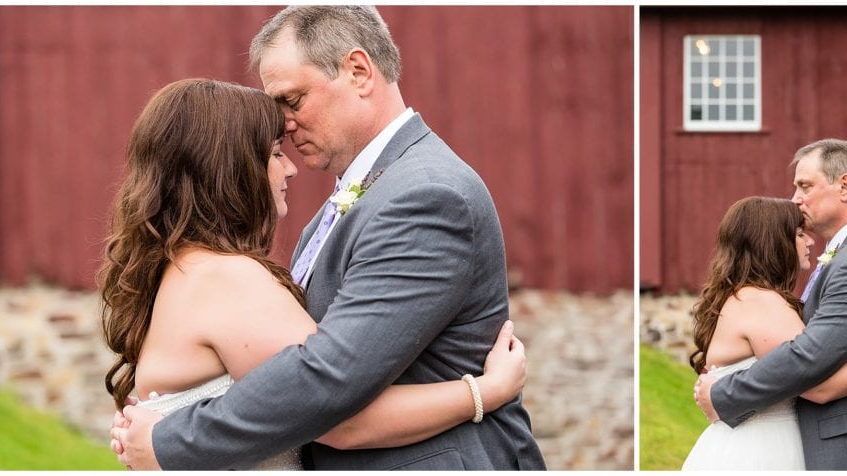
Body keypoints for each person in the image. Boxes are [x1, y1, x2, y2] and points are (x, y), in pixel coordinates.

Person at [112, 6, 545, 470]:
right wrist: (481, 391)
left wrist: (172, 439)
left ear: (358, 71)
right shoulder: (341, 207)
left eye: (292, 101)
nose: (285, 126)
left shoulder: (427, 196)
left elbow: (327, 385)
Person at [694, 140, 847, 470]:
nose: (796, 198)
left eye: (805, 186)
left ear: (844, 186)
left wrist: (725, 393)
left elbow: (807, 361)